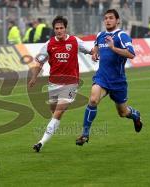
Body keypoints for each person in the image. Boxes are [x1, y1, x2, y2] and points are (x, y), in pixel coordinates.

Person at [76, 9, 143, 146]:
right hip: (102, 77)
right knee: (93, 99)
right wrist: (94, 53)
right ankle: (85, 134)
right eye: (106, 18)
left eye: (111, 18)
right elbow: (96, 47)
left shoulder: (122, 36)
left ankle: (135, 115)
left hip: (118, 81)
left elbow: (131, 54)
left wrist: (113, 48)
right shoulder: (100, 35)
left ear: (117, 20)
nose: (108, 20)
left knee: (123, 113)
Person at [28, 16, 92, 152]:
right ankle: (53, 126)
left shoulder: (74, 41)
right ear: (54, 29)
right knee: (54, 112)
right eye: (56, 28)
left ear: (65, 28)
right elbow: (39, 62)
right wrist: (34, 77)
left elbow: (89, 50)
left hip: (71, 83)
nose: (59, 31)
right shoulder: (49, 44)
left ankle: (41, 142)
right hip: (54, 84)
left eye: (61, 28)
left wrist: (95, 53)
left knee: (58, 112)